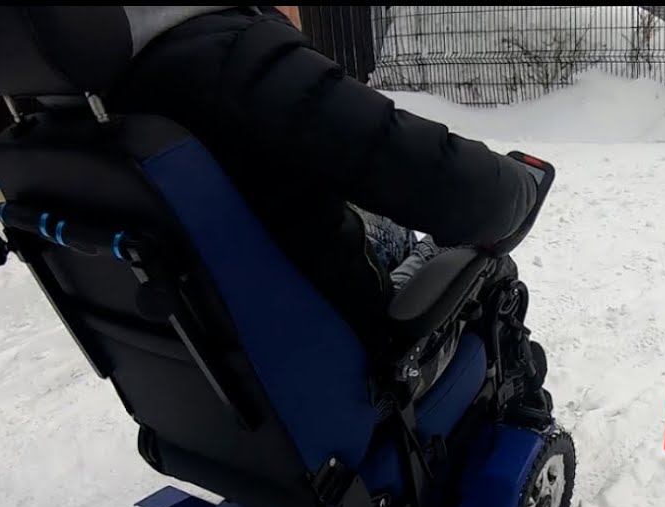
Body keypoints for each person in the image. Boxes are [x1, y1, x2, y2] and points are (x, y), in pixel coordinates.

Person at [106, 6, 537, 349]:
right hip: (338, 346)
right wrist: (519, 188)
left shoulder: (90, 106)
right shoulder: (236, 60)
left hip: (215, 348)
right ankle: (526, 419)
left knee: (380, 221)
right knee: (486, 264)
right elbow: (449, 184)